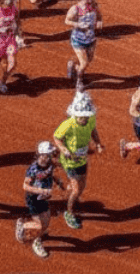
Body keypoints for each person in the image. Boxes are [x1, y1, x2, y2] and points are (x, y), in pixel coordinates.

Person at [53, 91, 103, 231]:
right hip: (69, 162)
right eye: (81, 116)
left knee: (82, 185)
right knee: (76, 190)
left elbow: (93, 130)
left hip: (82, 160)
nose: (83, 119)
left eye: (85, 116)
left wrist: (98, 143)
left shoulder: (90, 120)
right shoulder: (68, 124)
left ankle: (71, 195)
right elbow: (57, 138)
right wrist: (64, 150)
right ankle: (69, 213)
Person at [15, 140, 64, 260]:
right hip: (33, 199)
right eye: (49, 154)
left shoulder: (50, 163)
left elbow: (50, 173)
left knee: (46, 221)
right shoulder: (33, 169)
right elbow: (25, 186)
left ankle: (32, 231)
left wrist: (57, 181)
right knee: (40, 225)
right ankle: (33, 239)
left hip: (43, 198)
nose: (51, 156)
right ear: (42, 155)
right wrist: (41, 190)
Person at [64, 0, 102, 86]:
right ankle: (79, 81)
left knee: (88, 60)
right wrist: (78, 25)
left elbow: (99, 16)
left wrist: (99, 22)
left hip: (91, 39)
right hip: (78, 40)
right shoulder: (76, 8)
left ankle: (73, 65)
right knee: (84, 63)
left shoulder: (94, 6)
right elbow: (67, 20)